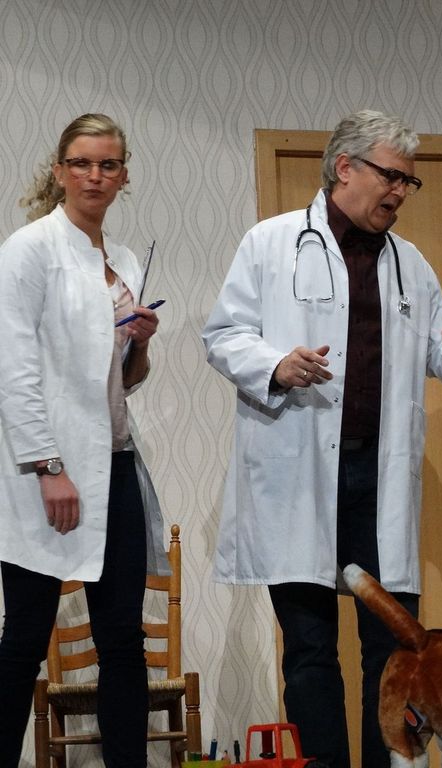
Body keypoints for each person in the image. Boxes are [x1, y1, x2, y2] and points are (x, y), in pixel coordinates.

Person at [203, 109, 442, 768]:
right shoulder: (271, 243)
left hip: (375, 479)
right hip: (300, 474)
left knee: (392, 649)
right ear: (345, 168)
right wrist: (276, 365)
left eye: (409, 182)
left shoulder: (411, 265)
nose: (400, 192)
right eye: (392, 176)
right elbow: (223, 335)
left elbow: (441, 348)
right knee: (309, 650)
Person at [0, 113, 168, 768]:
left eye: (108, 164)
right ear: (59, 170)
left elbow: (123, 380)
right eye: (81, 163)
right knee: (25, 638)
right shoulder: (30, 250)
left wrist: (140, 344)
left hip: (115, 463)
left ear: (124, 176)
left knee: (123, 639)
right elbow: (13, 371)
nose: (94, 176)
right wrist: (49, 466)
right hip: (46, 469)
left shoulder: (123, 261)